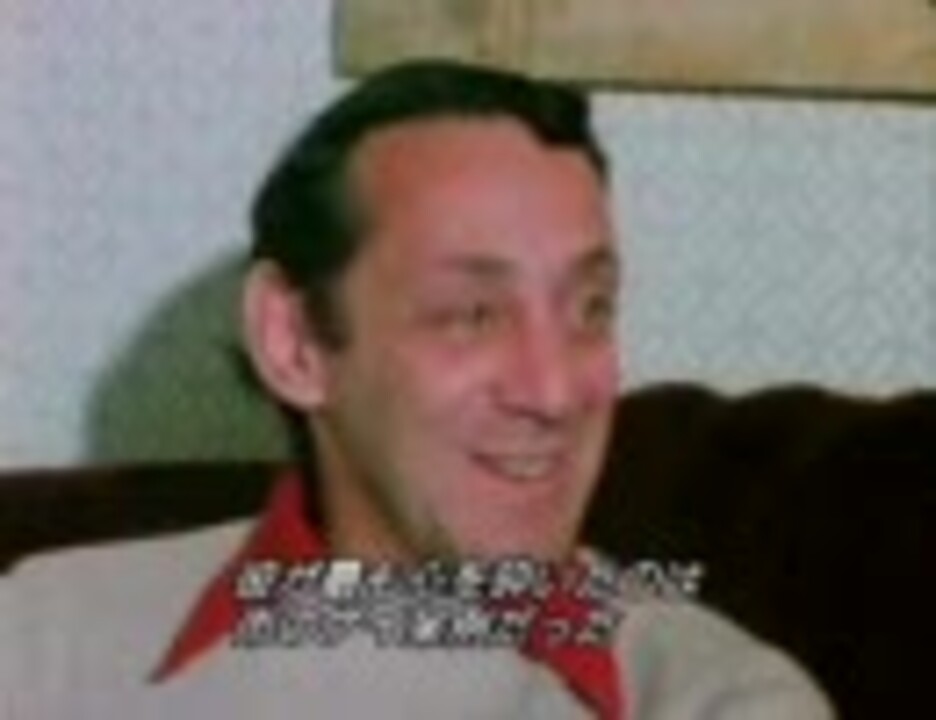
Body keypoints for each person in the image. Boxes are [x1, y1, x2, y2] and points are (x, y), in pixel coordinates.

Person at [0, 61, 835, 719]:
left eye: (591, 309)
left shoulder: (713, 699)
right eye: (471, 314)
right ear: (293, 343)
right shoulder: (44, 640)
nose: (554, 392)